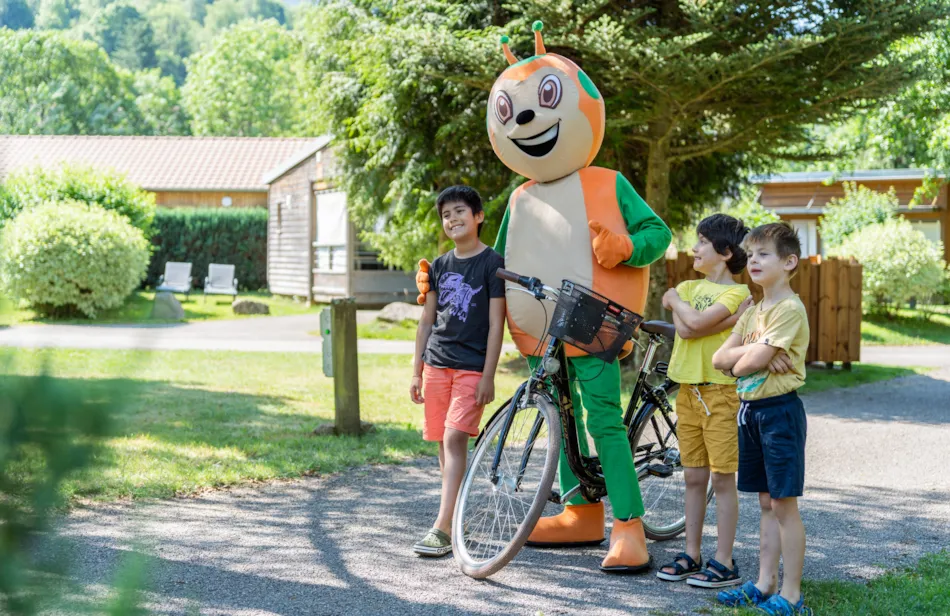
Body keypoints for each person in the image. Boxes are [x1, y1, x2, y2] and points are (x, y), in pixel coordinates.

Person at [712, 222, 812, 616]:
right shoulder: (754, 311)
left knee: (784, 504)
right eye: (750, 254)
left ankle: (791, 596)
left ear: (789, 262)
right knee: (766, 503)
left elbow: (737, 366)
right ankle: (764, 583)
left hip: (779, 413)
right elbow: (720, 359)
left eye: (763, 254)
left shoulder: (789, 309)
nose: (752, 261)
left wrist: (751, 359)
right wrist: (759, 354)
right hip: (749, 412)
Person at [656, 214, 753, 588]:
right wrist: (709, 319)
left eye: (701, 242)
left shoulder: (738, 294)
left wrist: (676, 303)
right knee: (694, 477)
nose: (693, 248)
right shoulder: (688, 287)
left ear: (725, 252)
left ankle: (724, 561)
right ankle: (691, 554)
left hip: (721, 394)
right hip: (687, 392)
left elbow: (692, 325)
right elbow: (687, 328)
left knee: (722, 479)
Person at [410, 185, 506, 558]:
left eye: (460, 211)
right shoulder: (438, 266)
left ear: (478, 216)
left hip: (471, 368)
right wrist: (416, 371)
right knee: (442, 441)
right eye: (446, 215)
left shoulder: (492, 264)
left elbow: (497, 325)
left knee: (454, 439)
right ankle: (454, 519)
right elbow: (426, 321)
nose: (452, 219)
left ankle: (440, 527)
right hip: (436, 363)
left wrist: (488, 375)